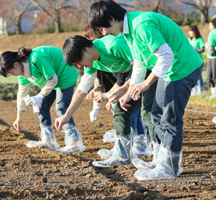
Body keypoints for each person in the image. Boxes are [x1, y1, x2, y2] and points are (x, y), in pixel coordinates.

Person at [88, 0, 203, 180]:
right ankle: (160, 161)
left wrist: (146, 84)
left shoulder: (141, 25)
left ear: (111, 19)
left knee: (170, 118)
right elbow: (140, 63)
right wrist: (128, 93)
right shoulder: (127, 32)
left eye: (102, 28)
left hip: (182, 68)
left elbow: (166, 55)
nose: (103, 33)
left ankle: (170, 168)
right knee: (155, 114)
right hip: (170, 71)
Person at [55, 33, 153, 167]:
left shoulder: (113, 46)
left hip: (151, 71)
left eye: (78, 62)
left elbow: (140, 64)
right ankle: (123, 155)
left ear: (85, 50)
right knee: (120, 108)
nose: (80, 66)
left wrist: (124, 88)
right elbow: (82, 89)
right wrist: (66, 116)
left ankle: (161, 158)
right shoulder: (93, 61)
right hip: (133, 79)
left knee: (150, 115)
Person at [0, 46, 86, 154]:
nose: (12, 75)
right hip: (52, 79)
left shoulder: (36, 58)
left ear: (16, 64)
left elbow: (53, 79)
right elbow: (22, 93)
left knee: (61, 107)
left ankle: (75, 142)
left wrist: (40, 95)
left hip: (65, 73)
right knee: (41, 107)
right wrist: (18, 118)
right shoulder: (21, 71)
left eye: (10, 72)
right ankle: (48, 141)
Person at [83, 25, 152, 158]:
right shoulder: (97, 59)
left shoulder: (112, 48)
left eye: (90, 39)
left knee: (132, 114)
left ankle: (131, 147)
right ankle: (137, 145)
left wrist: (109, 95)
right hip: (127, 84)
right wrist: (99, 90)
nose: (89, 41)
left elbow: (122, 76)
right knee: (133, 114)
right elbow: (101, 81)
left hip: (135, 81)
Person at [188, 25, 205, 95]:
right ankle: (194, 90)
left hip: (199, 61)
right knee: (191, 76)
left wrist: (195, 50)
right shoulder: (189, 40)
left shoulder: (200, 39)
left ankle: (200, 90)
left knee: (199, 76)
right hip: (191, 61)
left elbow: (203, 49)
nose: (190, 33)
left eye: (192, 31)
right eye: (189, 31)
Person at [205, 18, 216, 99]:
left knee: (214, 75)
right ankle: (213, 92)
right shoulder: (211, 33)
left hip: (215, 58)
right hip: (209, 58)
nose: (209, 27)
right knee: (208, 77)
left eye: (210, 25)